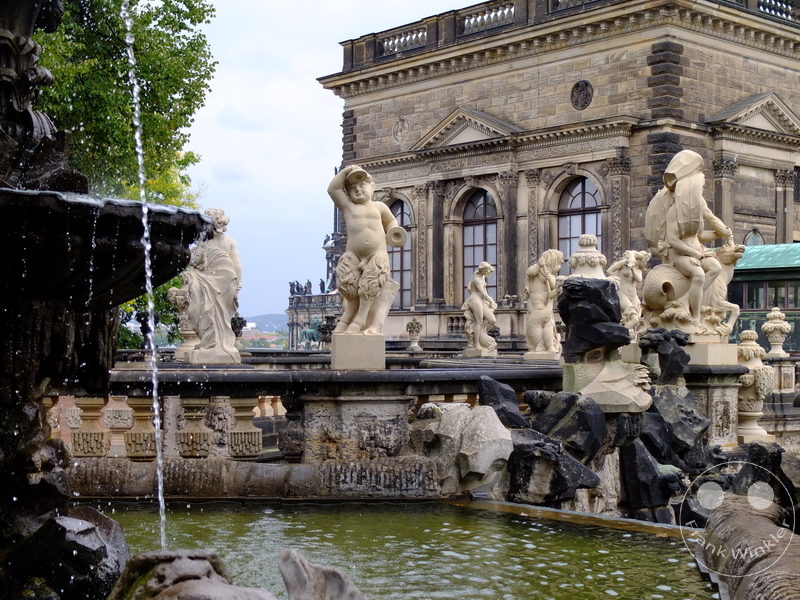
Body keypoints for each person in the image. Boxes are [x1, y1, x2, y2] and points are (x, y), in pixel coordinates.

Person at [644, 150, 732, 334]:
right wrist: (695, 254)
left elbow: (699, 235)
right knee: (699, 274)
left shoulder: (694, 209)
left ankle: (685, 300)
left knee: (715, 268)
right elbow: (674, 240)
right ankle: (696, 318)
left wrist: (718, 234)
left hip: (696, 249)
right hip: (679, 252)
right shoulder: (673, 212)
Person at [328, 165, 406, 334]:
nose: (357, 189)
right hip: (353, 254)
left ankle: (360, 319)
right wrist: (348, 171)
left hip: (376, 253)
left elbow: (391, 222)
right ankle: (347, 317)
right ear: (347, 193)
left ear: (372, 186)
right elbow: (332, 189)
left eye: (361, 185)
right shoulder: (348, 207)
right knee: (349, 286)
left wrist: (394, 232)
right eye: (352, 188)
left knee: (369, 287)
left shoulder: (379, 207)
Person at [183, 208, 242, 363]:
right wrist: (239, 283)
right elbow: (236, 264)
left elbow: (196, 260)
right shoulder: (216, 241)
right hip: (219, 280)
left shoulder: (211, 240)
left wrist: (186, 257)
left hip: (219, 281)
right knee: (213, 315)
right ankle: (215, 345)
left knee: (214, 314)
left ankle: (216, 346)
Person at [524, 249, 564, 353]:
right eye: (559, 264)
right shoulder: (538, 271)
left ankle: (548, 345)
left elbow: (552, 289)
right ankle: (550, 346)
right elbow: (529, 272)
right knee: (549, 323)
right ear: (552, 263)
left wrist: (556, 286)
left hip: (539, 308)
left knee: (548, 324)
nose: (559, 267)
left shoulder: (549, 275)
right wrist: (538, 265)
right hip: (538, 308)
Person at [462, 262, 497, 352]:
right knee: (479, 321)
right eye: (486, 271)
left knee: (492, 320)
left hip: (481, 300)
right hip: (475, 300)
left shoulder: (482, 276)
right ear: (482, 270)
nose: (487, 272)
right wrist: (491, 301)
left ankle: (481, 332)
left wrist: (488, 301)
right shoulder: (476, 279)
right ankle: (476, 344)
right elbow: (482, 292)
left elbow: (470, 288)